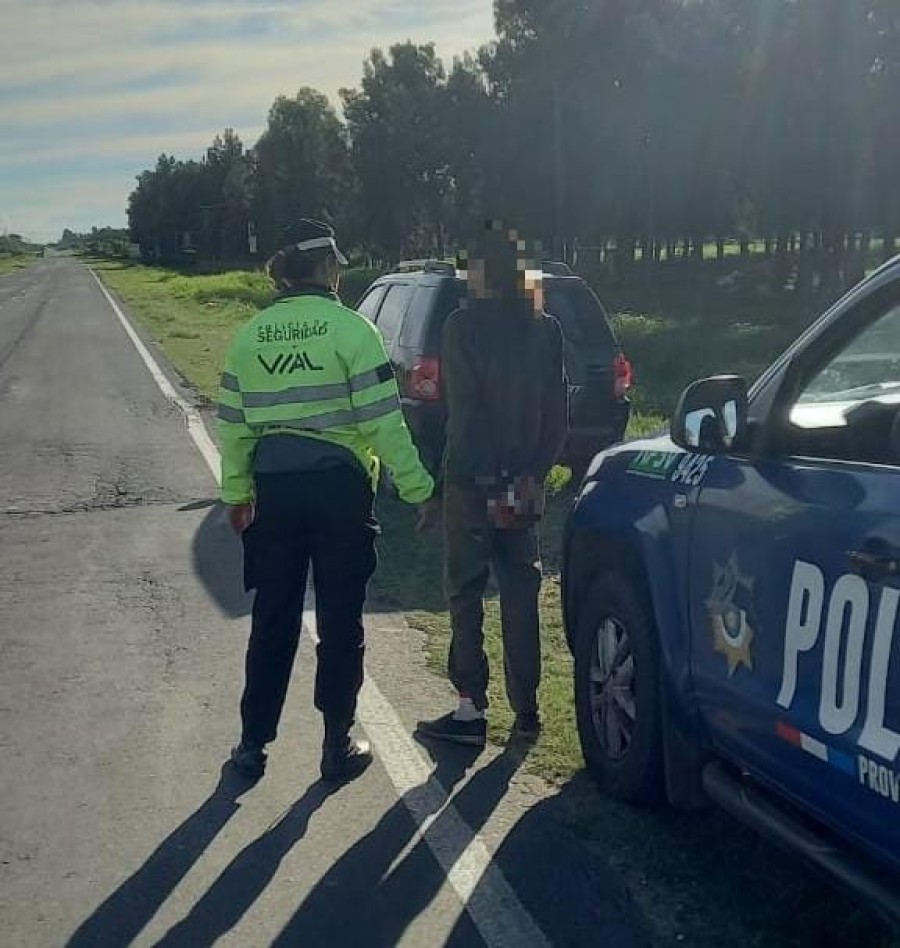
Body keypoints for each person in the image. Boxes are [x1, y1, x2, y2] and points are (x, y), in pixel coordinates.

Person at [217, 219, 439, 783]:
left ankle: (251, 746)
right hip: (339, 492)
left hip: (273, 492)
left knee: (272, 619)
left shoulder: (249, 336)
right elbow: (383, 422)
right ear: (325, 267)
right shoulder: (352, 330)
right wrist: (418, 488)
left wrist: (237, 494)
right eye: (337, 262)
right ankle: (336, 743)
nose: (341, 270)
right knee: (341, 622)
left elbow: (235, 428)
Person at [416, 221, 569, 747]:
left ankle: (468, 708)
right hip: (523, 478)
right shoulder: (546, 328)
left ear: (476, 273)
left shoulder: (462, 327)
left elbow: (462, 416)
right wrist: (532, 475)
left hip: (472, 481)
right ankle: (526, 713)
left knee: (465, 592)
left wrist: (444, 485)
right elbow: (557, 417)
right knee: (521, 594)